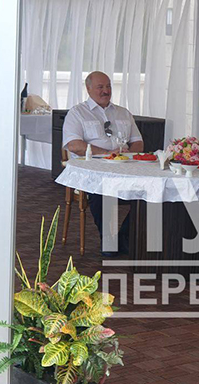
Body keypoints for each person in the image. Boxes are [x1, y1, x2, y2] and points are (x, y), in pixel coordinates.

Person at [63, 71, 144, 256]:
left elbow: (138, 142)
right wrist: (107, 154)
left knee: (150, 191)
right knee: (100, 192)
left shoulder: (123, 112)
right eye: (100, 87)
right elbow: (74, 145)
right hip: (93, 172)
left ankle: (125, 238)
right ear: (88, 88)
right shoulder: (77, 113)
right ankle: (108, 240)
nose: (105, 91)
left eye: (108, 86)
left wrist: (130, 154)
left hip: (124, 169)